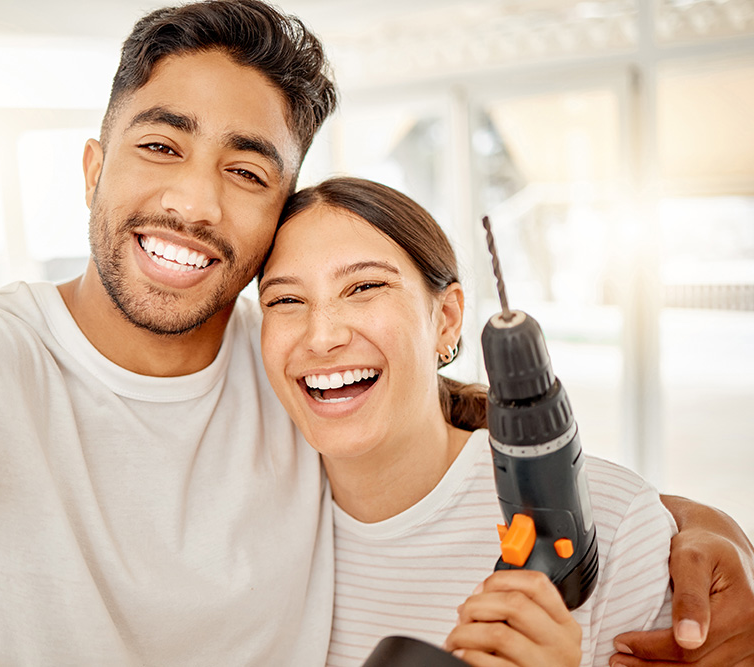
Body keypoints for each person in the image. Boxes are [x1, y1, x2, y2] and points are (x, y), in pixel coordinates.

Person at [0, 0, 753, 665]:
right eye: (159, 145)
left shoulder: (286, 369)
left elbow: (510, 465)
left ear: (274, 208)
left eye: (245, 169)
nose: (192, 200)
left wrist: (707, 533)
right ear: (94, 167)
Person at [255, 176, 673, 666]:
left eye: (365, 287)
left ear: (447, 319)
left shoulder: (618, 521)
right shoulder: (246, 523)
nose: (321, 337)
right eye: (285, 300)